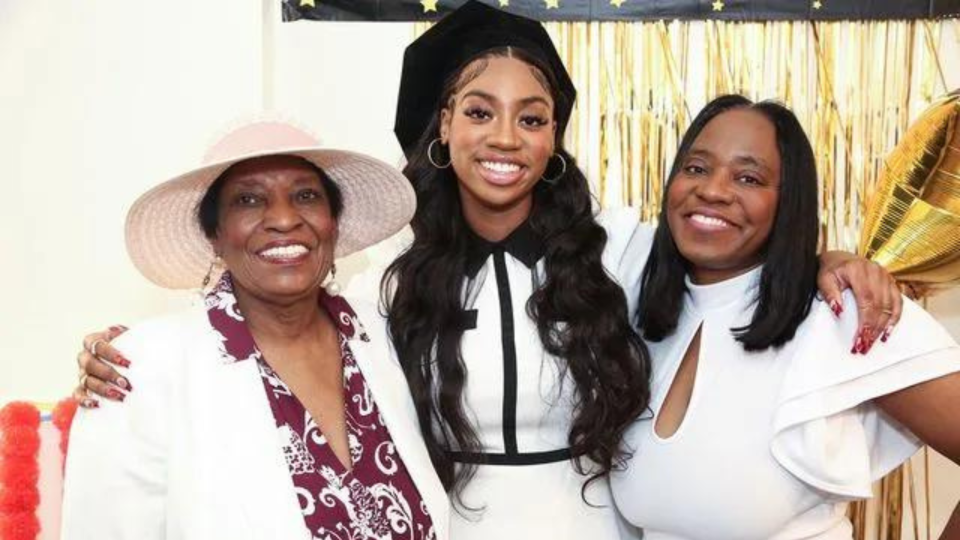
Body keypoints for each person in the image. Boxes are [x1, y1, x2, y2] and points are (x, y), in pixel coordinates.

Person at [71, 3, 903, 538]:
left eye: (531, 119)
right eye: (479, 113)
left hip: (597, 528)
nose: (505, 138)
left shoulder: (620, 245)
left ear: (551, 143)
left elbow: (731, 260)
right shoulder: (386, 273)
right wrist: (129, 357)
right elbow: (277, 322)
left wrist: (832, 261)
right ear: (442, 128)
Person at [61, 120, 449, 539]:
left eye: (306, 196)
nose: (283, 219)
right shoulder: (137, 370)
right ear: (214, 234)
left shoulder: (386, 336)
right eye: (248, 200)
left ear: (332, 223)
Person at [610, 94, 960, 539]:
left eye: (748, 177)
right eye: (696, 168)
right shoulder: (632, 286)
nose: (713, 190)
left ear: (788, 201)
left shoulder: (845, 308)